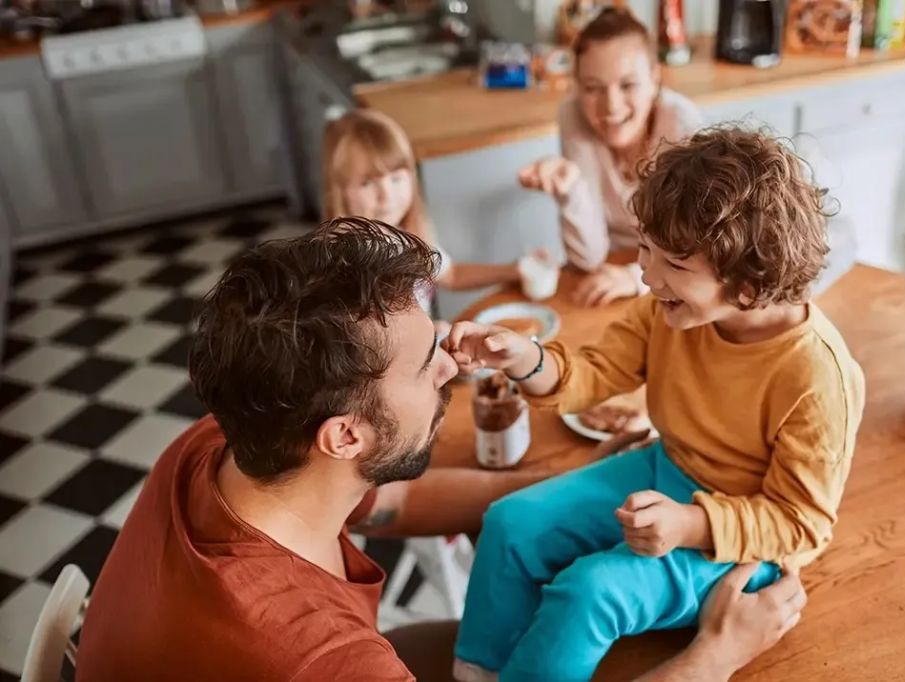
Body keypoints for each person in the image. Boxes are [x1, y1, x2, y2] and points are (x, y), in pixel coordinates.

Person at [75, 218, 806, 681]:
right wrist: (714, 658)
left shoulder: (231, 438)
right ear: (345, 434)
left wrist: (569, 482)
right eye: (428, 365)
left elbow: (389, 500)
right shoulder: (324, 660)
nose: (452, 368)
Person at [445, 128, 866, 682]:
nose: (647, 274)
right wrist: (524, 358)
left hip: (743, 541)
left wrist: (690, 524)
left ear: (747, 283)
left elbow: (801, 522)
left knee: (591, 590)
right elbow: (595, 372)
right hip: (666, 469)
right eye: (646, 248)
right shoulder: (667, 310)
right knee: (509, 522)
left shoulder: (817, 376)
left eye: (675, 264)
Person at [518, 7, 702, 307]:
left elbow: (698, 248)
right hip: (609, 272)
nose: (611, 106)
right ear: (578, 87)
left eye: (627, 85)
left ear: (654, 79)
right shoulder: (573, 114)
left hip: (673, 281)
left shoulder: (682, 123)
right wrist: (571, 190)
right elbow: (587, 258)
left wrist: (634, 277)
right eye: (593, 88)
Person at [322, 109, 545, 317]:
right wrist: (428, 333)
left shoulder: (405, 237)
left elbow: (452, 275)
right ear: (339, 192)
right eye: (367, 183)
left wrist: (514, 270)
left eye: (396, 178)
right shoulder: (350, 265)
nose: (386, 196)